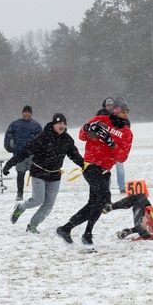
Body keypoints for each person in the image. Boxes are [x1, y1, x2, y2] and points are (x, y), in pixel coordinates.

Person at [56, 97, 134, 251]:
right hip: (91, 166)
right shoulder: (101, 120)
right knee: (105, 197)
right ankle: (86, 235)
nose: (126, 115)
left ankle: (66, 229)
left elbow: (122, 157)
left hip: (105, 171)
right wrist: (87, 128)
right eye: (123, 112)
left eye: (127, 112)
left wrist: (111, 143)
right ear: (116, 111)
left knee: (94, 204)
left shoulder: (127, 133)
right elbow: (81, 135)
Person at [4, 113, 84, 234]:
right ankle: (20, 208)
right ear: (53, 124)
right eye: (59, 123)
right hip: (39, 172)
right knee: (38, 200)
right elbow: (25, 152)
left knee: (49, 205)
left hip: (55, 175)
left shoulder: (67, 140)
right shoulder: (42, 137)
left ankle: (32, 226)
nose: (62, 126)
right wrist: (9, 164)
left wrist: (85, 166)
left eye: (64, 123)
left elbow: (75, 156)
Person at [3, 105, 43, 201]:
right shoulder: (15, 124)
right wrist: (7, 146)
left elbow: (42, 139)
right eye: (25, 112)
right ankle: (20, 193)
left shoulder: (36, 125)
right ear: (22, 113)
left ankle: (36, 193)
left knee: (35, 175)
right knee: (20, 174)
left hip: (32, 155)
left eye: (29, 112)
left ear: (31, 114)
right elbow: (8, 135)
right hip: (19, 153)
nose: (27, 114)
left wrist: (40, 150)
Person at [97, 97, 127, 194]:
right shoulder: (101, 114)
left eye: (111, 105)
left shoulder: (119, 113)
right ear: (105, 106)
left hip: (117, 146)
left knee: (120, 167)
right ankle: (107, 187)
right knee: (106, 169)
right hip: (104, 147)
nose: (109, 107)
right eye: (108, 105)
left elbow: (126, 125)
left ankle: (122, 187)